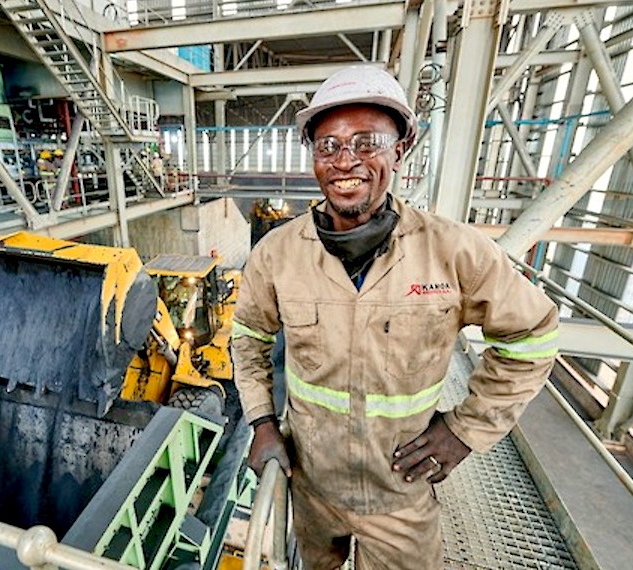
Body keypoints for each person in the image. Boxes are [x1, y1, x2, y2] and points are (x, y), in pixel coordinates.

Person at [231, 65, 559, 569]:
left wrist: (465, 429)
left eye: (367, 143)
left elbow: (532, 336)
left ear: (400, 149)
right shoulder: (277, 254)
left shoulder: (454, 252)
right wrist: (262, 423)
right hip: (311, 488)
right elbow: (249, 339)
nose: (346, 162)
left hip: (401, 495)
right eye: (329, 146)